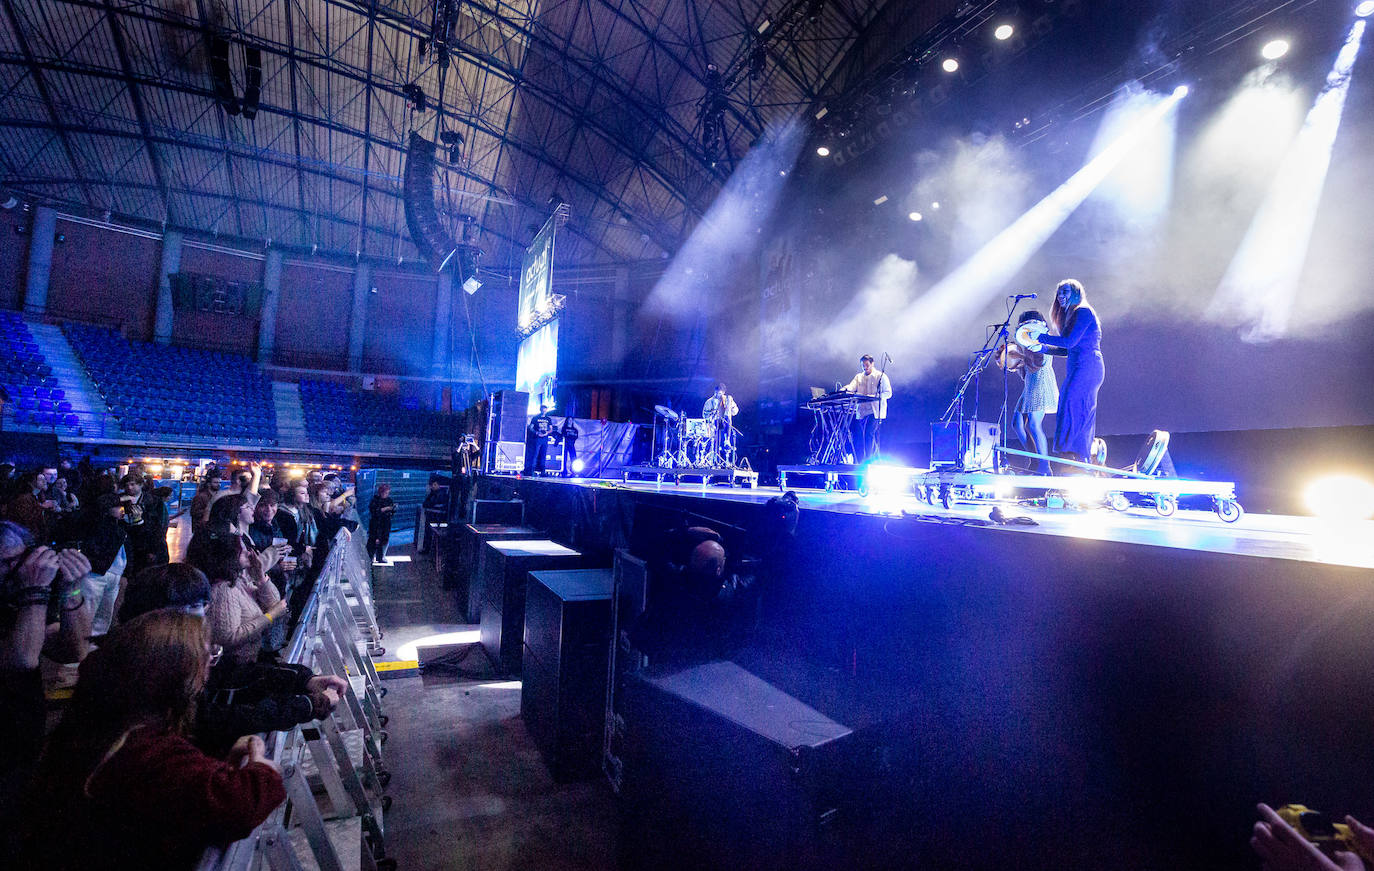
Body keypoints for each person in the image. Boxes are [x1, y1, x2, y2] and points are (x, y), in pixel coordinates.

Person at [18, 610, 286, 871]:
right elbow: (239, 803)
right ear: (173, 673)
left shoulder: (101, 728)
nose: (210, 666)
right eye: (206, 656)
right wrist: (260, 764)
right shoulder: (142, 748)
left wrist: (224, 765)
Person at [1037, 279, 1104, 464]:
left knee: (1076, 407)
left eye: (1065, 292)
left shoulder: (1082, 311)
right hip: (1079, 366)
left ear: (1076, 293)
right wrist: (1042, 348)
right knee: (1069, 405)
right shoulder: (1072, 314)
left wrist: (1040, 337)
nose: (1061, 296)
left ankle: (1079, 455)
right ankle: (1073, 455)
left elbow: (1068, 343)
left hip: (1088, 366)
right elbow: (1067, 349)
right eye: (1059, 293)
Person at [194, 533, 286, 666]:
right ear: (229, 558)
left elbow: (274, 603)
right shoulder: (223, 590)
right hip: (236, 669)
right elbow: (228, 638)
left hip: (252, 659)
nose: (249, 553)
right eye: (243, 552)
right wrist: (270, 616)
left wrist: (260, 577)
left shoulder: (239, 581)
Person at [998, 309, 1060, 474]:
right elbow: (1025, 371)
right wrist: (1013, 362)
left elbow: (1037, 364)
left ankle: (1045, 467)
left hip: (1041, 383)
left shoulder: (1041, 342)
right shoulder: (1025, 345)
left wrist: (1019, 356)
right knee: (1017, 424)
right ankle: (1034, 461)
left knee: (1033, 424)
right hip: (1030, 385)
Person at [79, 493, 129, 637]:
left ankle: (95, 644)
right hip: (96, 573)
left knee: (104, 614)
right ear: (107, 508)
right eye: (117, 506)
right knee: (90, 612)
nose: (121, 509)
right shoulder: (99, 526)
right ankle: (81, 645)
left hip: (112, 573)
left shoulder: (118, 526)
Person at [843, 354, 893, 464]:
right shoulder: (859, 377)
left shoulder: (880, 376)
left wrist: (877, 397)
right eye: (863, 365)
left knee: (869, 433)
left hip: (875, 411)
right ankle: (873, 458)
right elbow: (851, 387)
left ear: (872, 364)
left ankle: (868, 460)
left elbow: (888, 393)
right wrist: (844, 389)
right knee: (862, 435)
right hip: (862, 411)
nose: (865, 367)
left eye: (867, 365)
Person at [702, 384, 738, 465]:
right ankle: (714, 459)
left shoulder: (728, 399)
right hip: (714, 424)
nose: (718, 395)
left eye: (720, 393)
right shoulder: (710, 401)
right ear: (714, 392)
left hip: (725, 422)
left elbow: (735, 411)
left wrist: (731, 408)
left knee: (727, 418)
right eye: (717, 393)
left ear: (724, 393)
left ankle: (727, 440)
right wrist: (712, 414)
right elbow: (704, 414)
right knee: (715, 440)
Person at [367, 483, 396, 564]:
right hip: (376, 523)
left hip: (385, 523)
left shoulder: (389, 500)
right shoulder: (375, 500)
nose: (386, 494)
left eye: (387, 493)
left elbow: (392, 511)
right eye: (385, 493)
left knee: (383, 540)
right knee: (373, 540)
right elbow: (374, 511)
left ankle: (380, 557)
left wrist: (392, 509)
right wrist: (384, 509)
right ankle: (370, 557)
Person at [524, 405, 555, 476]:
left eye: (545, 410)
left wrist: (546, 433)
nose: (543, 411)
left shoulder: (548, 419)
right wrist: (536, 432)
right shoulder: (535, 418)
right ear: (540, 410)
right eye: (542, 410)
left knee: (543, 455)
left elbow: (551, 429)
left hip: (544, 439)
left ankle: (543, 471)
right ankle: (532, 470)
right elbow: (530, 427)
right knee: (535, 454)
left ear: (546, 410)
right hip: (537, 438)